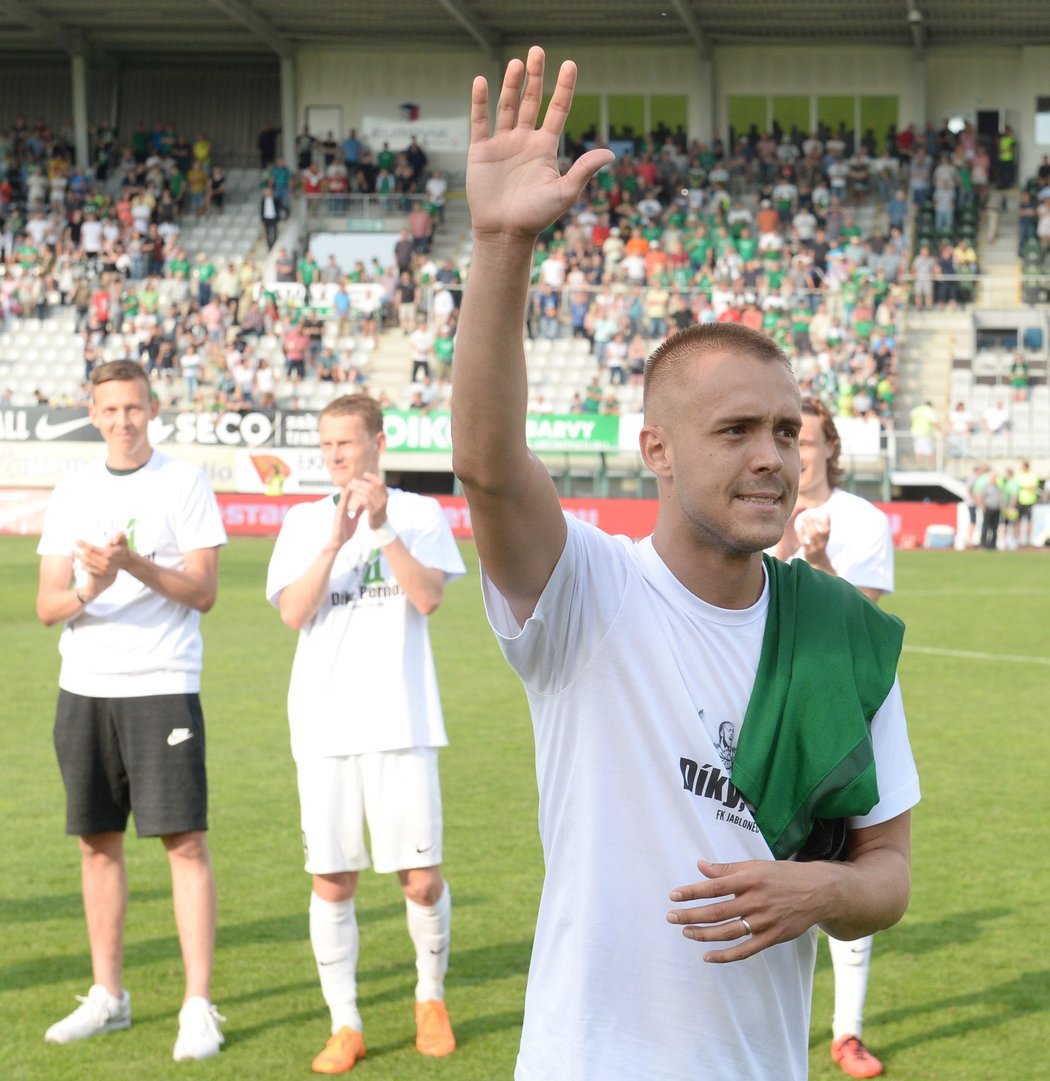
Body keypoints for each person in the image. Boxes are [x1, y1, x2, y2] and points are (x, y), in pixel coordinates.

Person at [451, 48, 918, 1081]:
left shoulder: (839, 637)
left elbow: (887, 868)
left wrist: (821, 892)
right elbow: (487, 468)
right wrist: (499, 245)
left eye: (787, 430)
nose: (771, 456)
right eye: (736, 429)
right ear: (655, 449)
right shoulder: (588, 593)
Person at [265, 394, 465, 1074]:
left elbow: (428, 596)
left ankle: (429, 997)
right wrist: (334, 539)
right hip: (322, 725)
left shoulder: (419, 512)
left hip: (402, 720)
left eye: (346, 443)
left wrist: (380, 528)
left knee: (419, 878)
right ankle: (345, 1019)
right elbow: (294, 611)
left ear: (378, 441)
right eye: (326, 445)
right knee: (332, 879)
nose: (335, 455)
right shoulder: (301, 522)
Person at [35, 360, 227, 1061]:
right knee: (96, 842)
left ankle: (197, 1004)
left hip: (162, 682)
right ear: (92, 411)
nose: (123, 420)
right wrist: (91, 583)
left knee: (184, 841)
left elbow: (204, 591)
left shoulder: (184, 482)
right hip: (85, 687)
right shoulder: (74, 491)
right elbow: (47, 605)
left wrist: (133, 565)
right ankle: (108, 995)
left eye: (135, 408)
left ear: (153, 409)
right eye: (110, 409)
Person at [771, 399, 894, 1078]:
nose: (798, 452)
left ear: (829, 448)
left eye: (806, 439)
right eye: (789, 438)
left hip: (837, 718)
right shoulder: (755, 508)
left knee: (844, 867)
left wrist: (817, 560)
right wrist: (788, 545)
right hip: (763, 717)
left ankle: (846, 1031)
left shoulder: (864, 521)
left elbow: (864, 625)